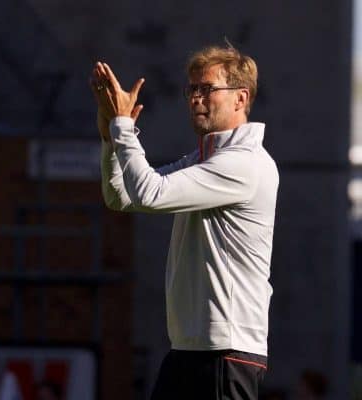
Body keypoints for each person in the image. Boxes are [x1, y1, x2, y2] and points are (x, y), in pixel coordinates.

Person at [90, 44, 279, 399]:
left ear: (240, 98)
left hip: (227, 351)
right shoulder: (206, 158)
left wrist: (123, 128)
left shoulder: (245, 163)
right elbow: (122, 197)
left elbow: (150, 193)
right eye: (191, 89)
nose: (195, 98)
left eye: (206, 89)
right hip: (190, 349)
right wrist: (109, 137)